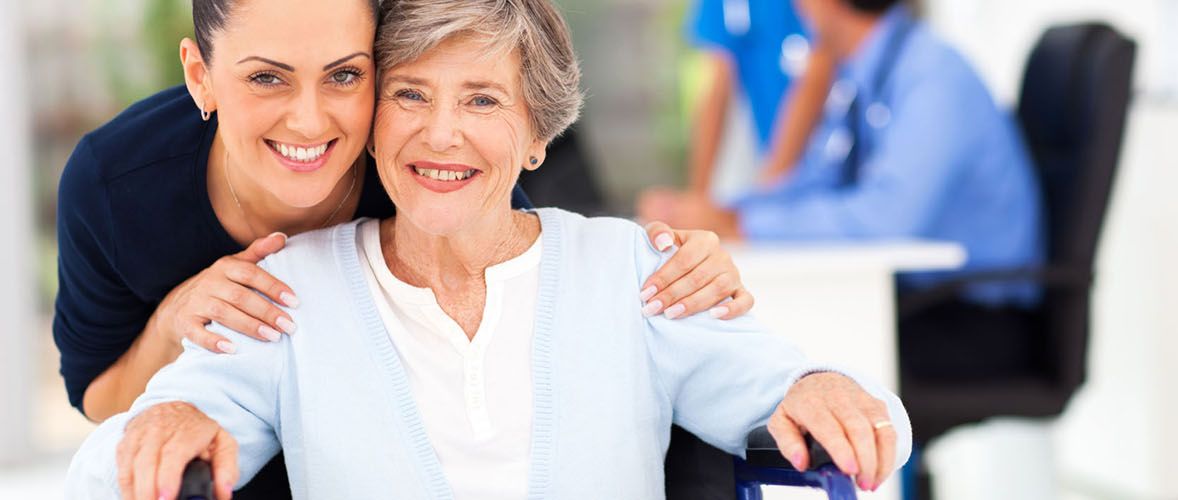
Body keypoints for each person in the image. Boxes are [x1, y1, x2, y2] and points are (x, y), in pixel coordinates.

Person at [65, 0, 911, 497]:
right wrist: (168, 417)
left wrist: (820, 385)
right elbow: (99, 470)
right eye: (410, 94)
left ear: (537, 137)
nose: (443, 135)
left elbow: (868, 420)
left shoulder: (631, 273)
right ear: (376, 123)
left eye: (481, 100)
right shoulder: (289, 290)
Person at [637, 0, 1044, 309]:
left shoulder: (933, 76)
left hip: (973, 309)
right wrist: (717, 211)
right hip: (922, 296)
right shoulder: (868, 72)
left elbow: (885, 218)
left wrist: (743, 225)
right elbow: (819, 179)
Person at [679, 0, 835, 202]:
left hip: (835, 161)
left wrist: (769, 188)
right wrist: (697, 200)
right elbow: (717, 85)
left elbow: (820, 68)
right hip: (774, 162)